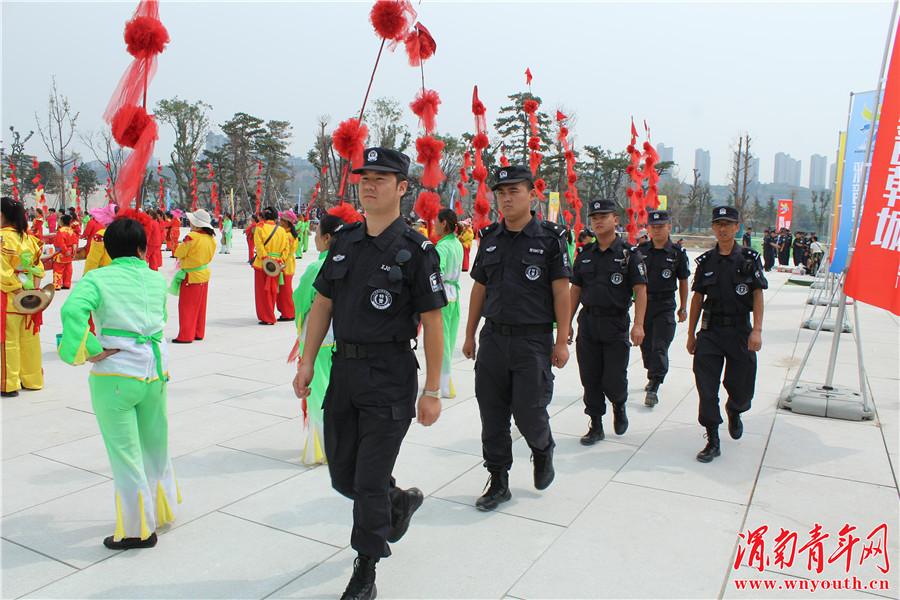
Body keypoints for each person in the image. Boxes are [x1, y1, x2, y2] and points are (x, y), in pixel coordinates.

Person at [292, 147, 446, 600]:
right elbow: (323, 305)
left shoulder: (416, 252)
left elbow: (433, 323)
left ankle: (366, 568)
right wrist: (306, 361)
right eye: (364, 177)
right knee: (344, 476)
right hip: (344, 374)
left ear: (402, 188)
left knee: (367, 480)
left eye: (381, 178)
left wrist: (433, 390)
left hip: (390, 375)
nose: (369, 184)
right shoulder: (345, 243)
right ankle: (398, 502)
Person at [58, 215, 180, 550]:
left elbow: (72, 313)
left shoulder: (97, 279)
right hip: (154, 371)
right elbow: (162, 319)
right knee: (156, 444)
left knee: (125, 453)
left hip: (116, 373)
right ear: (143, 247)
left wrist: (89, 348)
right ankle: (161, 508)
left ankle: (135, 528)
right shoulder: (156, 279)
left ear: (108, 249)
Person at [462, 165, 571, 511]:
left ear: (531, 195)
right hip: (494, 338)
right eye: (501, 193)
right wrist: (470, 334)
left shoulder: (551, 239)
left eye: (514, 192)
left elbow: (561, 292)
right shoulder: (490, 237)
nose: (506, 199)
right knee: (491, 414)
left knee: (529, 412)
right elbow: (480, 288)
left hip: (532, 342)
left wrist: (562, 340)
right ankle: (498, 480)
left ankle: (542, 449)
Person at [687, 206, 767, 463]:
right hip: (710, 332)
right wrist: (691, 334)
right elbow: (697, 298)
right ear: (713, 227)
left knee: (741, 386)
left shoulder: (749, 259)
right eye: (718, 224)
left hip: (740, 331)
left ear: (736, 227)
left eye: (728, 224)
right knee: (706, 387)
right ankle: (712, 438)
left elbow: (757, 295)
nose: (723, 228)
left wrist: (757, 330)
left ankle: (735, 409)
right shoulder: (706, 261)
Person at [568, 199, 646, 444]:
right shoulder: (585, 255)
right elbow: (575, 290)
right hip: (589, 323)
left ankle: (619, 404)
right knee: (589, 377)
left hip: (615, 324)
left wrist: (639, 324)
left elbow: (641, 290)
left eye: (604, 216)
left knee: (613, 377)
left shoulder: (629, 254)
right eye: (594, 217)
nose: (598, 221)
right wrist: (566, 322)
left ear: (616, 220)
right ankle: (596, 424)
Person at [291, 206, 362, 465]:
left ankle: (322, 446)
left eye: (317, 233)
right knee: (340, 392)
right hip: (342, 337)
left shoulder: (316, 268)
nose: (314, 237)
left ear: (328, 238)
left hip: (319, 340)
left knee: (319, 392)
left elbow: (300, 301)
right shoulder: (353, 263)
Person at [636, 210, 690, 407]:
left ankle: (655, 385)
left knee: (660, 345)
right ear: (648, 229)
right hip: (644, 306)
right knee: (646, 345)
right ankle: (652, 372)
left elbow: (683, 281)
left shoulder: (677, 254)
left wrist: (683, 307)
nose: (657, 230)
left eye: (661, 226)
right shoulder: (640, 251)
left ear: (669, 227)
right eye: (653, 227)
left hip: (665, 305)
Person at [1, 196, 46, 397]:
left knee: (8, 342)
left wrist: (17, 290)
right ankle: (32, 379)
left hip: (10, 299)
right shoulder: (29, 239)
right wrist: (32, 292)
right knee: (29, 340)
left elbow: (2, 272)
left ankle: (9, 383)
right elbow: (39, 269)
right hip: (31, 299)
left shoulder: (2, 238)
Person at [170, 209, 217, 344]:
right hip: (203, 274)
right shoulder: (211, 239)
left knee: (187, 307)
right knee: (200, 306)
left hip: (191, 275)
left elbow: (179, 252)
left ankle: (185, 335)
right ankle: (198, 332)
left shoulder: (191, 237)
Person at [435, 208, 464, 399]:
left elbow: (438, 272)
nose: (434, 225)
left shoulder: (442, 247)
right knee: (449, 340)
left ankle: (444, 383)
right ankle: (445, 380)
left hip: (443, 296)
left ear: (444, 223)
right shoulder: (457, 244)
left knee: (441, 341)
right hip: (455, 296)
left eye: (436, 221)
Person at [252, 207, 289, 325]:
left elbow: (258, 245)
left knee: (262, 292)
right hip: (276, 264)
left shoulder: (260, 228)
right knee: (273, 290)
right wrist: (279, 259)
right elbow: (286, 248)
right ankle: (270, 313)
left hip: (263, 264)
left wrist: (265, 258)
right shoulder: (281, 230)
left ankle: (266, 316)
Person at [276, 210, 300, 322]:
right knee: (284, 290)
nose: (280, 221)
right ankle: (287, 312)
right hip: (288, 264)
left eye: (282, 220)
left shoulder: (287, 235)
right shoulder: (290, 234)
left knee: (285, 291)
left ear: (287, 222)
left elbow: (284, 251)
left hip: (285, 265)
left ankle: (288, 313)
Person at [52, 213, 79, 290]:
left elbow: (61, 243)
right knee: (68, 269)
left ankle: (57, 284)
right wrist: (73, 252)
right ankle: (67, 284)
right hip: (70, 252)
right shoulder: (71, 230)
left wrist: (65, 250)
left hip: (62, 253)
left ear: (62, 222)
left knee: (58, 268)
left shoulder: (61, 231)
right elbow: (75, 242)